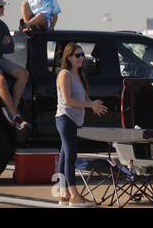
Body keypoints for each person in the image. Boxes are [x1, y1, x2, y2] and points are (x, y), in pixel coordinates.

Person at [56, 43, 108, 207]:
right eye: (77, 55)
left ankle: (64, 195)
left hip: (74, 119)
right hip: (65, 118)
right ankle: (74, 196)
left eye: (82, 55)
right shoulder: (64, 74)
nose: (81, 58)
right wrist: (90, 105)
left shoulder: (80, 74)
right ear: (68, 57)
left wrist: (94, 104)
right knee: (71, 156)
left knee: (65, 156)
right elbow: (67, 100)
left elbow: (84, 99)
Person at [0, 0, 30, 129]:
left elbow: (10, 48)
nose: (4, 9)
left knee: (23, 74)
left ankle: (12, 111)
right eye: (1, 7)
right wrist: (0, 44)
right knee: (1, 80)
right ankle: (16, 116)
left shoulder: (2, 25)